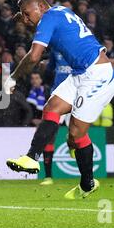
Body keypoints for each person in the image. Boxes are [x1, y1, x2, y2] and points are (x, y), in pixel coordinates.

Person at [4, 0, 114, 199]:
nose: (26, 19)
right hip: (80, 73)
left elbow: (34, 56)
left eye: (28, 14)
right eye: (24, 15)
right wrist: (29, 20)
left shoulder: (49, 17)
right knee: (51, 108)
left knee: (75, 135)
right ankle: (32, 157)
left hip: (98, 76)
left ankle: (87, 184)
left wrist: (13, 77)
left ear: (41, 6)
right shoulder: (58, 13)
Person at [39, 50, 72, 186]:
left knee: (77, 135)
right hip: (57, 98)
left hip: (75, 97)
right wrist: (44, 69)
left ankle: (88, 177)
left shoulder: (78, 51)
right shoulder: (55, 52)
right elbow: (48, 73)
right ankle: (48, 176)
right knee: (49, 135)